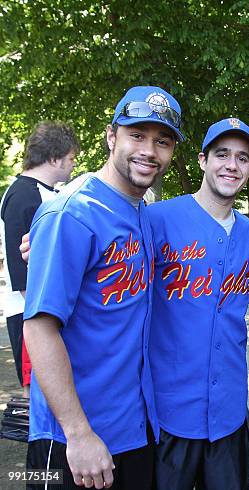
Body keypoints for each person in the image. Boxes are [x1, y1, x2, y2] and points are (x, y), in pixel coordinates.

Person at [23, 85, 184, 490]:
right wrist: (78, 434)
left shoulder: (143, 214)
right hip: (71, 440)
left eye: (162, 141)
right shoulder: (70, 213)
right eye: (137, 136)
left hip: (133, 429)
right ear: (112, 136)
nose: (149, 150)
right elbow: (39, 328)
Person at [148, 118, 249, 490]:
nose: (231, 165)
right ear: (203, 160)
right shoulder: (157, 220)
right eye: (222, 155)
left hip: (228, 414)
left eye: (242, 158)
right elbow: (105, 251)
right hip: (170, 414)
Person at [0, 121, 79, 397]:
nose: (72, 166)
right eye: (70, 159)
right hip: (31, 313)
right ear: (55, 158)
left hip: (42, 310)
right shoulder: (24, 196)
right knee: (38, 396)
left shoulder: (45, 193)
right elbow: (22, 273)